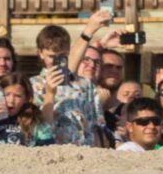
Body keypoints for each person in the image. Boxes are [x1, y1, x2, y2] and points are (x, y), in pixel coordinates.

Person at [31, 19, 107, 147]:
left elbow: (96, 127)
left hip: (85, 154)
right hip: (51, 154)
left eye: (62, 56)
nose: (57, 61)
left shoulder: (86, 85)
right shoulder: (33, 85)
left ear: (68, 52)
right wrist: (49, 93)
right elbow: (40, 128)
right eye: (51, 56)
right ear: (40, 54)